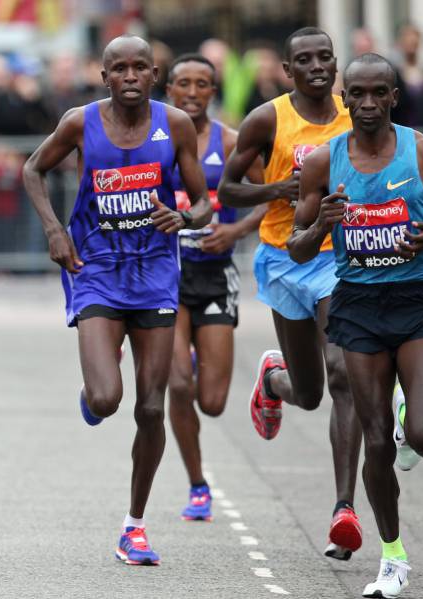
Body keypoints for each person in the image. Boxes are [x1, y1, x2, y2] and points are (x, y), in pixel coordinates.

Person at [289, 53, 423, 598]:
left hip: (416, 302)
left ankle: (406, 417)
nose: (368, 105)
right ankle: (392, 556)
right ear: (343, 98)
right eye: (358, 94)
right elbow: (298, 250)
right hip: (358, 307)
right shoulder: (325, 162)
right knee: (375, 444)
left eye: (379, 94)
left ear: (395, 96)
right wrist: (320, 223)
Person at [23, 35, 213, 565]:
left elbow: (201, 203)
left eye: (140, 68)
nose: (130, 76)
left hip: (154, 273)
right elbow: (32, 169)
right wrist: (54, 230)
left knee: (151, 408)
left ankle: (134, 525)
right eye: (119, 69)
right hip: (96, 270)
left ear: (155, 74)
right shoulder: (78, 121)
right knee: (108, 400)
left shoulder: (173, 125)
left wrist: (186, 216)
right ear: (104, 77)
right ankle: (94, 388)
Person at [217, 27, 363, 560]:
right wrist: (276, 190)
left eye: (326, 56)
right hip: (283, 258)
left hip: (338, 259)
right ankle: (274, 381)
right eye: (305, 59)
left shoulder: (357, 115)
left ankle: (343, 511)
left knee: (343, 373)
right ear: (288, 70)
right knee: (311, 392)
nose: (318, 66)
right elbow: (229, 189)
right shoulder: (267, 119)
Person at [164, 54, 267, 522]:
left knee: (213, 401)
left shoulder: (230, 141)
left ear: (213, 90)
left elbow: (272, 198)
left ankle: (267, 378)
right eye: (183, 82)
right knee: (178, 386)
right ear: (169, 89)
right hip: (166, 273)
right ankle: (198, 484)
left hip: (215, 273)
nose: (192, 91)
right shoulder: (156, 140)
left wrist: (235, 231)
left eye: (202, 83)